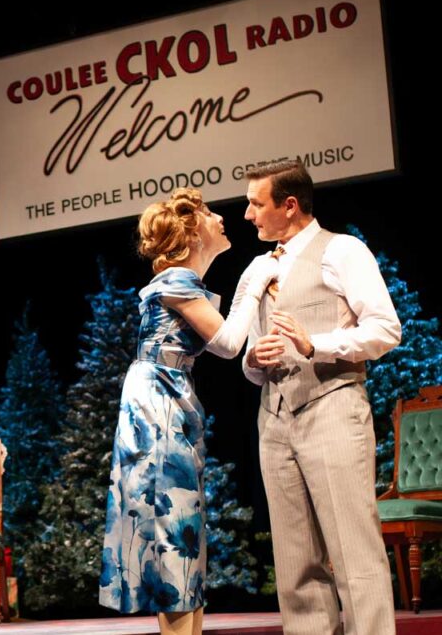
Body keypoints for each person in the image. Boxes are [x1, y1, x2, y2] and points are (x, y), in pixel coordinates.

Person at [99, 187, 278, 635]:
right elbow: (228, 343)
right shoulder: (175, 281)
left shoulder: (184, 283)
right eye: (210, 213)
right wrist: (254, 280)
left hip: (169, 399)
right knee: (174, 530)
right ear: (193, 231)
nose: (222, 218)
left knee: (184, 530)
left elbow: (237, 343)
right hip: (158, 404)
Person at [237, 160, 400, 635]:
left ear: (290, 206)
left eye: (255, 203)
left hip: (332, 404)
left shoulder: (343, 251)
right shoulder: (257, 267)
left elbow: (385, 329)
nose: (248, 215)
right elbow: (247, 354)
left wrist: (318, 344)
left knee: (353, 548)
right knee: (295, 559)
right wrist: (255, 360)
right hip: (275, 415)